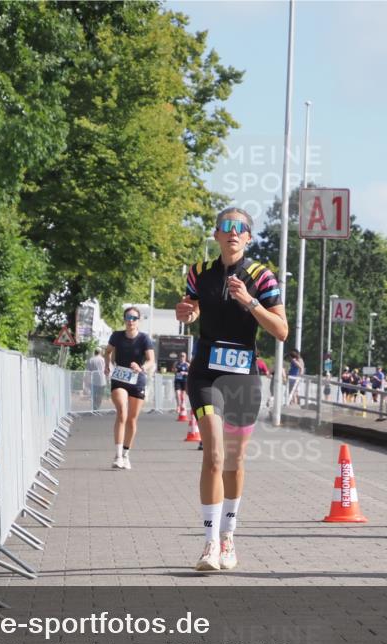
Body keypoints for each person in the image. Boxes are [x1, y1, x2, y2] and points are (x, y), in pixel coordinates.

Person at [175, 207, 288, 571]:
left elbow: (281, 330)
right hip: (206, 374)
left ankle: (228, 537)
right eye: (227, 226)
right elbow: (192, 308)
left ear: (248, 238)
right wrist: (187, 313)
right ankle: (209, 543)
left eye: (241, 227)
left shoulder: (262, 277)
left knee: (235, 462)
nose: (233, 232)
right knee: (214, 455)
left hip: (242, 378)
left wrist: (250, 302)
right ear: (217, 235)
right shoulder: (199, 272)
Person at [105, 306, 155, 470]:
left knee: (132, 419)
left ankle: (126, 454)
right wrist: (107, 365)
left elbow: (151, 360)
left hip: (137, 380)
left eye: (134, 318)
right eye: (128, 317)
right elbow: (108, 351)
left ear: (138, 321)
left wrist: (141, 367)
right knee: (122, 412)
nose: (131, 321)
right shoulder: (117, 336)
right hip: (120, 378)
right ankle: (118, 456)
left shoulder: (144, 339)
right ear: (124, 319)